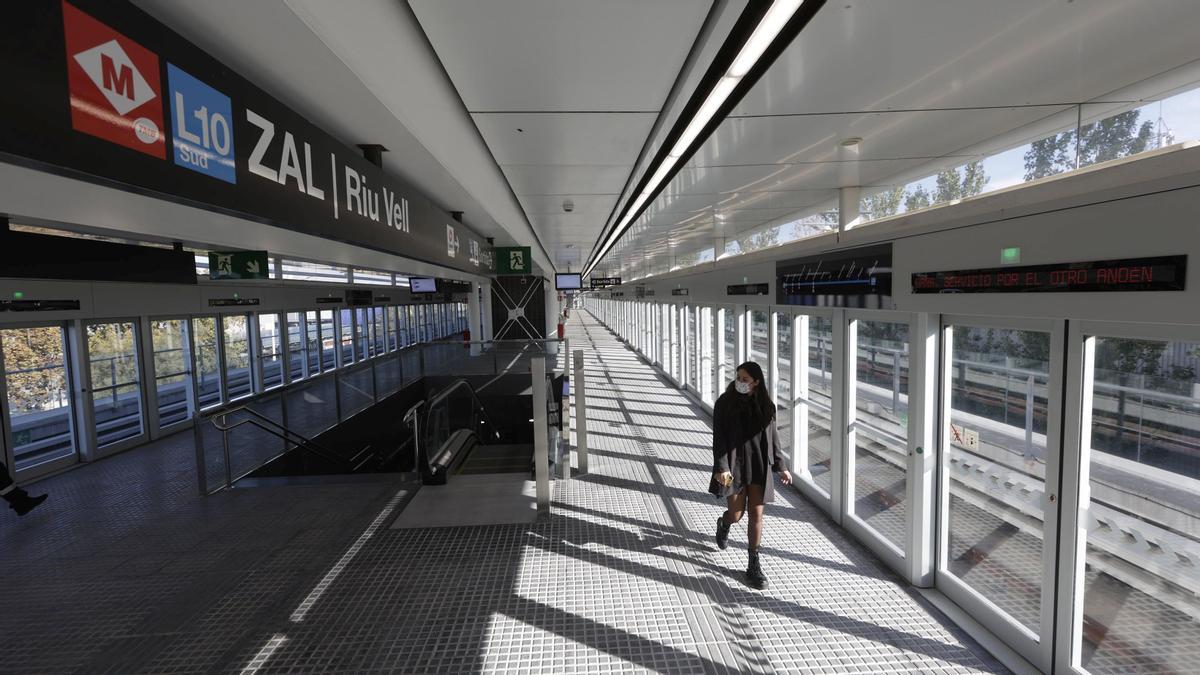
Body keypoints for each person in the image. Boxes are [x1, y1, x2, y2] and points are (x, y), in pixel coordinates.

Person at [709, 361, 792, 589]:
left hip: (758, 467)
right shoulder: (724, 404)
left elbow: (774, 440)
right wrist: (721, 468)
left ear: (756, 382)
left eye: (745, 380)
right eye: (738, 378)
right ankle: (724, 523)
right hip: (732, 467)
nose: (740, 383)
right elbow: (719, 440)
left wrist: (781, 466)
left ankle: (753, 564)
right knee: (736, 514)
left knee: (756, 514)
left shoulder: (767, 406)